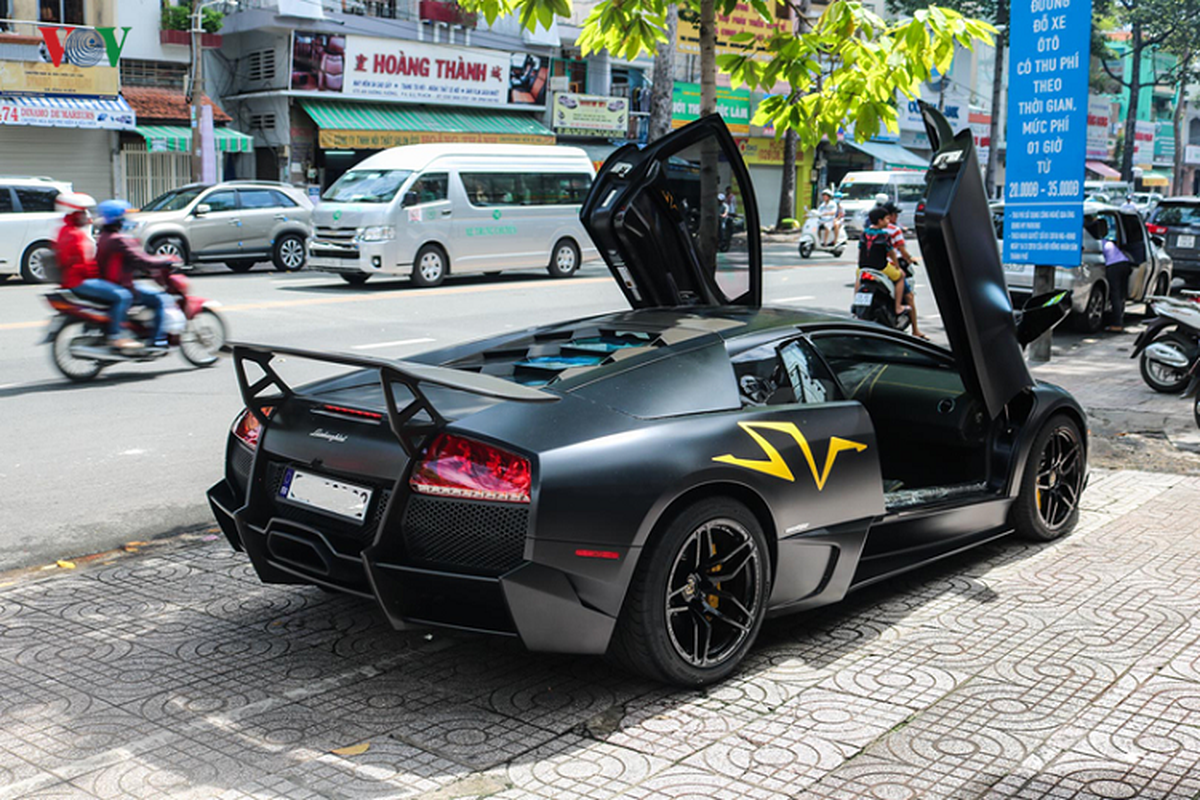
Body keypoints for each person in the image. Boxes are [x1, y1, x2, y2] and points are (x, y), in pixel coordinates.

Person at [54, 193, 141, 352]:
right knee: (123, 296)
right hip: (79, 281)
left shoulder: (66, 231)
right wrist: (99, 276)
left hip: (75, 279)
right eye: (83, 213)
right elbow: (83, 264)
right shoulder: (74, 235)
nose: (87, 216)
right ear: (75, 215)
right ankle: (116, 336)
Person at [94, 200, 176, 349]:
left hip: (112, 281)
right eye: (124, 217)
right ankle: (157, 341)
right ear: (117, 219)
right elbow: (142, 259)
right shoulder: (118, 240)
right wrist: (165, 261)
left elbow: (131, 260)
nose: (127, 221)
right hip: (122, 285)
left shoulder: (104, 237)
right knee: (160, 299)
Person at [855, 206, 909, 322]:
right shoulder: (884, 235)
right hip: (881, 267)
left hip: (863, 267)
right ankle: (898, 306)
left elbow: (860, 250)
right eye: (886, 219)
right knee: (901, 277)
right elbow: (891, 253)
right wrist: (897, 266)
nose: (888, 222)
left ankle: (856, 303)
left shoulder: (864, 233)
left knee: (858, 279)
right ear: (880, 221)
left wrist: (860, 264)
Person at [881, 202, 925, 339]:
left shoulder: (870, 229)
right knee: (909, 295)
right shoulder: (894, 230)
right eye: (895, 214)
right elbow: (899, 250)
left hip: (870, 266)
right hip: (889, 265)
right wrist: (909, 259)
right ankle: (914, 328)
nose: (896, 217)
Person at [1092, 216, 1134, 332]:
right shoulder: (1108, 242)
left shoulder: (1098, 244)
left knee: (1114, 295)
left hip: (1114, 267)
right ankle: (1119, 319)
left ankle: (1117, 324)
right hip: (1125, 264)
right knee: (1120, 295)